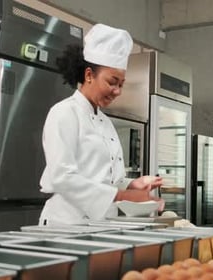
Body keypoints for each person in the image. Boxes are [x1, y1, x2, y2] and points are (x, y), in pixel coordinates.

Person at [38, 23, 163, 226]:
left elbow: (104, 179)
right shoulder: (64, 113)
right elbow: (63, 177)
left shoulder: (105, 122)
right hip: (65, 224)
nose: (117, 91)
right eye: (112, 82)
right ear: (89, 75)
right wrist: (124, 196)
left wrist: (132, 184)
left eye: (121, 84)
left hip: (100, 224)